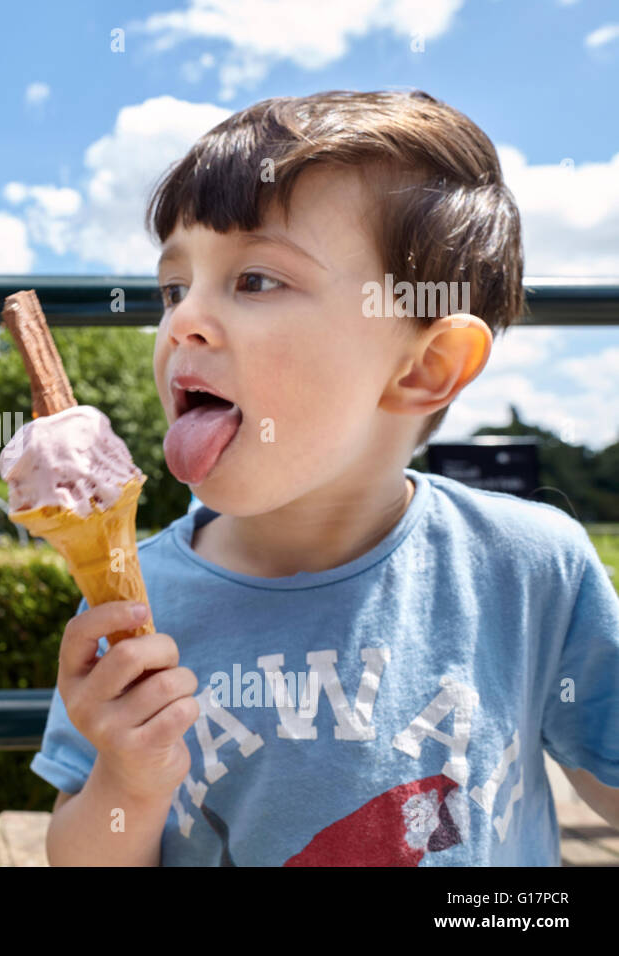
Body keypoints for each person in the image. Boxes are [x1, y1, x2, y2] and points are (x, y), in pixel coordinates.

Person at [35, 90, 619, 866]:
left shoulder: (530, 567)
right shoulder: (139, 600)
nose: (181, 322)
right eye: (175, 288)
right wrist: (128, 781)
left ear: (425, 367)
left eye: (255, 280)